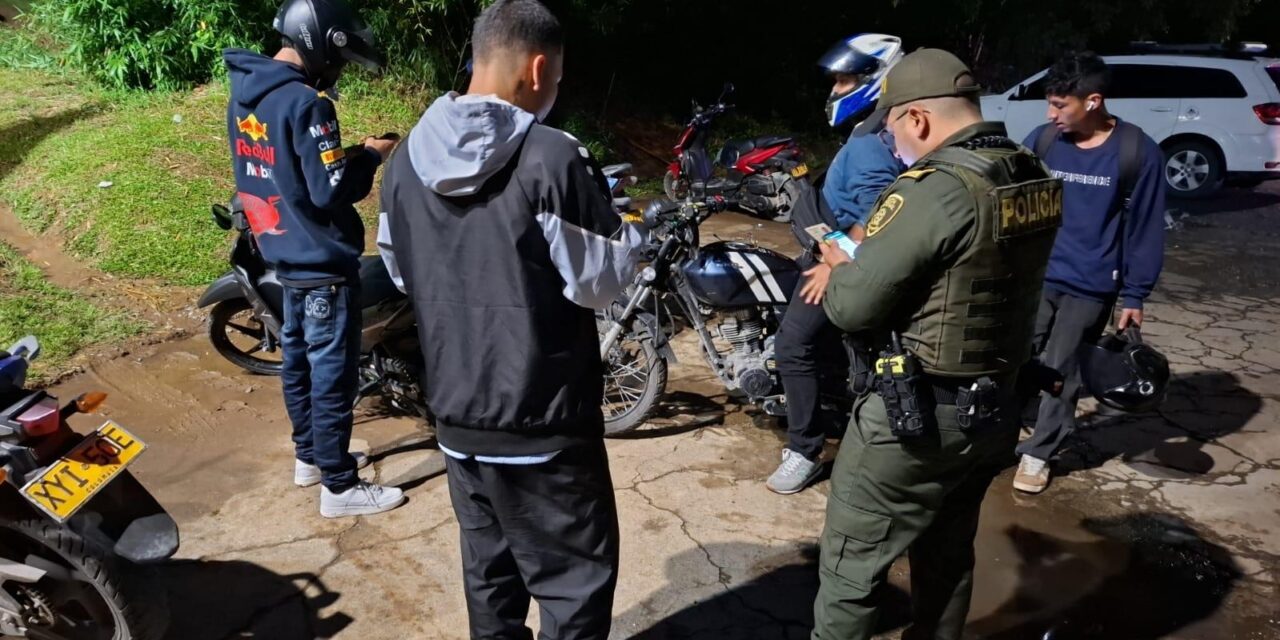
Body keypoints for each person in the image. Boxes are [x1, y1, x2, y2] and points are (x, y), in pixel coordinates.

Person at [377, 1, 643, 637]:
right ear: (538, 68)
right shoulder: (553, 158)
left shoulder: (404, 162)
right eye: (557, 79)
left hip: (457, 418)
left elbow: (401, 273)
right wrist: (626, 234)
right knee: (573, 589)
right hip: (545, 423)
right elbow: (602, 284)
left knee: (490, 583)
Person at [811, 49, 1062, 639]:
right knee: (947, 560)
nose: (894, 143)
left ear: (917, 120)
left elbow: (851, 307)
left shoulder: (935, 188)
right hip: (993, 408)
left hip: (915, 418)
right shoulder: (1029, 170)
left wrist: (841, 263)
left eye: (893, 128)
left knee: (851, 571)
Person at [223, 0, 404, 518]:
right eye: (339, 59)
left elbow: (288, 171)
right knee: (332, 375)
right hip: (322, 263)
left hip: (281, 253)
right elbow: (329, 192)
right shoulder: (307, 104)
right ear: (321, 44)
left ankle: (312, 458)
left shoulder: (246, 95)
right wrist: (369, 155)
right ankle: (340, 487)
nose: (338, 70)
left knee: (298, 361)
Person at [1013, 52, 1166, 494]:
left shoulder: (1137, 153)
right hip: (1035, 277)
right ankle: (997, 431)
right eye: (1049, 103)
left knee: (1062, 371)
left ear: (1093, 101)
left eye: (1061, 105)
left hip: (1091, 284)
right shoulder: (1042, 142)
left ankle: (1038, 454)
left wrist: (1135, 294)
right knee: (1019, 357)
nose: (1050, 114)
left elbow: (1145, 228)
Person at [767, 33, 905, 495]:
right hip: (830, 252)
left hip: (836, 264)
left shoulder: (870, 145)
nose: (835, 91)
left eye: (845, 81)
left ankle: (804, 451)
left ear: (874, 80)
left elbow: (881, 219)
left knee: (792, 346)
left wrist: (834, 261)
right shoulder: (871, 129)